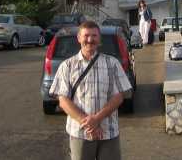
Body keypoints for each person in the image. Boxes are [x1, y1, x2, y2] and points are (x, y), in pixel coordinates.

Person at [50, 21, 132, 160]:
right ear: (79, 38)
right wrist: (89, 124)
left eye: (94, 35)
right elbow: (63, 100)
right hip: (80, 133)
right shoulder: (67, 66)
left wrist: (97, 119)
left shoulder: (112, 63)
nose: (90, 39)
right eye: (86, 35)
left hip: (108, 132)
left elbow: (119, 96)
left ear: (99, 39)